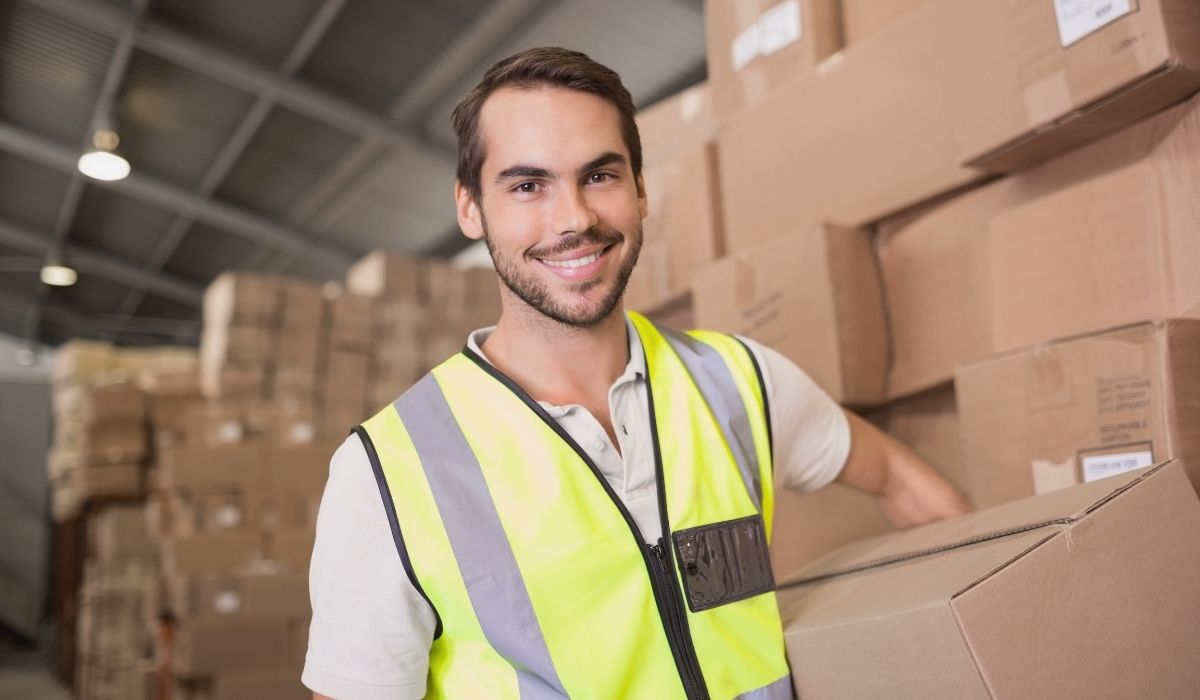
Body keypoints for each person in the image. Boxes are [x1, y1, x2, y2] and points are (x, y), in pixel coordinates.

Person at [303, 47, 971, 700]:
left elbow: (897, 478)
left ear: (642, 190)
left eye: (600, 175)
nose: (575, 219)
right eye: (529, 185)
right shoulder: (389, 470)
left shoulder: (738, 382)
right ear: (471, 208)